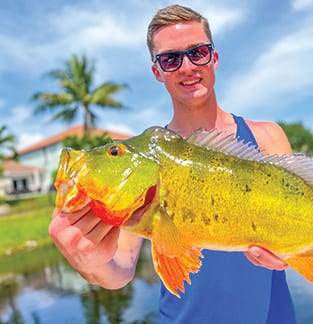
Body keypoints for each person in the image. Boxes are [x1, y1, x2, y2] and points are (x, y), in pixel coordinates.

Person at [49, 4, 296, 324]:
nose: (187, 66)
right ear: (157, 71)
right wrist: (92, 263)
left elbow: (305, 227)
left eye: (198, 52)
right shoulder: (142, 160)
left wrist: (292, 253)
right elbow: (121, 267)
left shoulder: (268, 138)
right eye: (171, 59)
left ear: (214, 58)